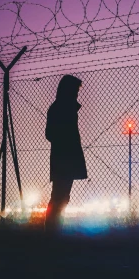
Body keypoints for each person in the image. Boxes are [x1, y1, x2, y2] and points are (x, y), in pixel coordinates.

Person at [44, 74, 87, 233]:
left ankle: (54, 230)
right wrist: (65, 141)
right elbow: (50, 134)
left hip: (64, 158)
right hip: (64, 158)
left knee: (62, 196)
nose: (77, 93)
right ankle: (52, 231)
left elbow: (51, 134)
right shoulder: (61, 108)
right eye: (75, 90)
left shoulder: (62, 108)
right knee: (59, 197)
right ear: (67, 90)